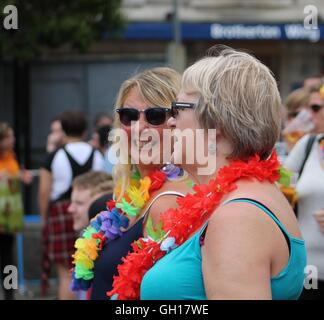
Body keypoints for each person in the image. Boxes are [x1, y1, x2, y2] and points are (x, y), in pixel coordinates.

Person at [109, 46, 307, 300]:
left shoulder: (238, 218)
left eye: (178, 109)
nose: (171, 121)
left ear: (217, 122)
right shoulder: (235, 200)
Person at [70, 67, 195, 300]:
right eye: (129, 116)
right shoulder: (136, 193)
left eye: (155, 116)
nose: (139, 128)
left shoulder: (170, 202)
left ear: (178, 123)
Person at [38, 110, 104, 299]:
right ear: (85, 131)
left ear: (63, 130)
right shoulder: (96, 154)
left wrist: (44, 218)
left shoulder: (53, 156)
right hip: (94, 212)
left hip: (61, 212)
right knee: (94, 265)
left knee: (66, 272)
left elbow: (44, 191)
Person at [284, 82, 324, 300]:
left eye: (316, 108)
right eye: (309, 108)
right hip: (309, 273)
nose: (309, 115)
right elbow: (278, 182)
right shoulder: (309, 144)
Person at [0, 122, 33, 300]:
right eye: (9, 137)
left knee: (8, 258)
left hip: (8, 217)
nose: (13, 140)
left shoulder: (10, 156)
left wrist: (20, 176)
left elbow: (14, 175)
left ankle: (9, 294)